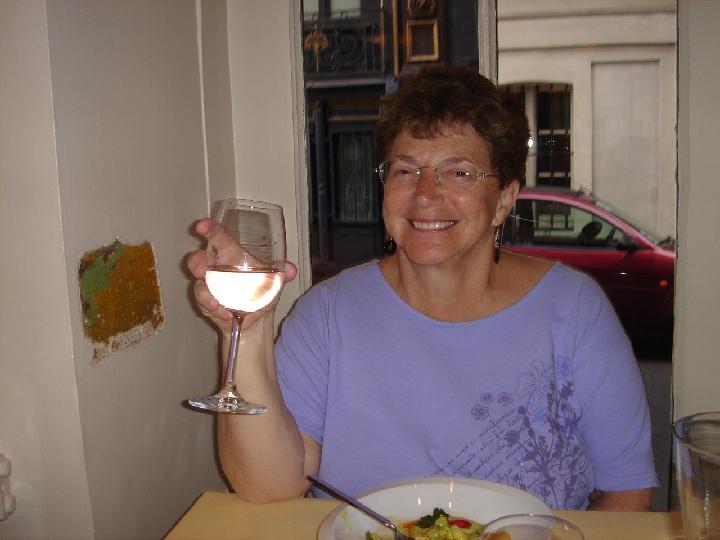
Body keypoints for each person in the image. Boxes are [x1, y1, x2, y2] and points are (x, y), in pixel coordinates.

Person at [187, 66, 657, 510]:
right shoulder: (328, 314)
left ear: (504, 200)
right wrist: (246, 333)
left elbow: (628, 494)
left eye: (459, 172)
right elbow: (268, 487)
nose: (426, 193)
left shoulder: (575, 311)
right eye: (405, 170)